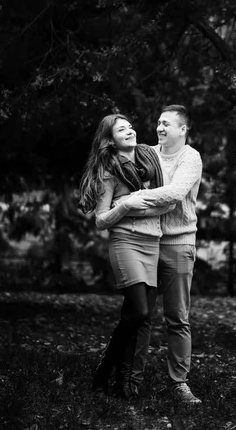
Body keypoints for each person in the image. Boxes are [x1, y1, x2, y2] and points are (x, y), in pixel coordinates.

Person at [78, 113, 175, 399]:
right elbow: (100, 219)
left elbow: (167, 204)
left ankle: (122, 384)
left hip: (152, 242)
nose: (130, 131)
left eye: (130, 126)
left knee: (135, 316)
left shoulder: (150, 161)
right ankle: (102, 371)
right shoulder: (109, 171)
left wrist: (132, 204)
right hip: (126, 243)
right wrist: (126, 204)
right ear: (111, 140)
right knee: (139, 312)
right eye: (122, 130)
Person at [121, 104, 203, 405]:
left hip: (179, 244)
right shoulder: (146, 154)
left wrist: (134, 199)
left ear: (183, 129)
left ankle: (179, 384)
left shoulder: (190, 157)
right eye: (158, 122)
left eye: (167, 123)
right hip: (145, 242)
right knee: (140, 315)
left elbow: (175, 193)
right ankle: (132, 379)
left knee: (177, 318)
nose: (160, 127)